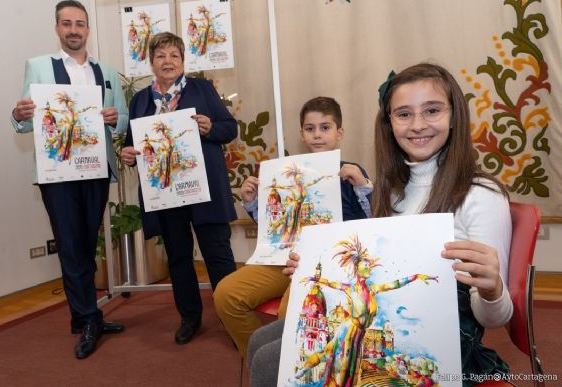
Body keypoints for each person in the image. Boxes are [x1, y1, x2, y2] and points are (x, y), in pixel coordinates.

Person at [251, 63, 513, 387]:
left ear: (454, 115)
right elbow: (373, 268)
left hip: (447, 344)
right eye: (404, 114)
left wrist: (492, 290)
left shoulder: (480, 195)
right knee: (260, 340)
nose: (418, 125)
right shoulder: (390, 190)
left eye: (432, 110)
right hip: (371, 319)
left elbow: (496, 317)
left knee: (268, 361)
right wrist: (313, 271)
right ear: (389, 123)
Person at [11, 0, 128, 360]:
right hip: (56, 172)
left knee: (86, 241)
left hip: (95, 168)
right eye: (66, 24)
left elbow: (123, 119)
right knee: (70, 243)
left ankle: (82, 316)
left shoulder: (106, 71)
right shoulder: (39, 66)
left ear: (87, 29)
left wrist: (114, 119)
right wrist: (18, 114)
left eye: (79, 23)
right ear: (58, 29)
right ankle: (90, 318)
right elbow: (27, 121)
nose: (73, 29)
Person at [213, 97, 372, 359]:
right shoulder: (286, 173)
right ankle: (260, 357)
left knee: (293, 311)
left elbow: (368, 227)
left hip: (327, 263)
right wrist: (252, 203)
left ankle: (292, 365)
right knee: (226, 294)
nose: (317, 135)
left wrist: (362, 186)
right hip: (283, 257)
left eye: (325, 127)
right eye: (310, 129)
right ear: (302, 134)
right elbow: (273, 229)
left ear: (339, 133)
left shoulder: (351, 172)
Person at [121, 32, 237, 345]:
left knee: (218, 254)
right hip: (166, 194)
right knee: (178, 258)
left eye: (174, 55)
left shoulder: (203, 89)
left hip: (205, 189)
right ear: (151, 62)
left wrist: (211, 127)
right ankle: (190, 317)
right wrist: (128, 155)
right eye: (161, 56)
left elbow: (230, 128)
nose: (168, 61)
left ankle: (232, 314)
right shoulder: (140, 101)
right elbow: (134, 147)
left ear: (183, 61)